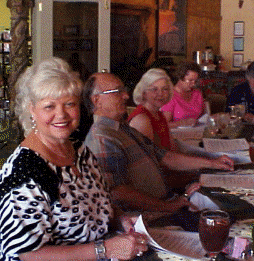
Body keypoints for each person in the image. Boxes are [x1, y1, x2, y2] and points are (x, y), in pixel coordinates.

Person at [0, 58, 148, 261]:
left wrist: (120, 219)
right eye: (49, 106)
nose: (61, 115)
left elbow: (96, 205)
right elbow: (32, 258)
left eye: (69, 104)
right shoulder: (24, 172)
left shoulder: (80, 151)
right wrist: (105, 249)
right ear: (31, 110)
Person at [83, 72, 234, 216]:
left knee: (230, 199)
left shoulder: (121, 128)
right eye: (117, 92)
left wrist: (213, 163)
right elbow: (118, 193)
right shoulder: (102, 137)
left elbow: (165, 156)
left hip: (168, 200)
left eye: (124, 90)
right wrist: (169, 207)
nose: (125, 96)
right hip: (151, 216)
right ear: (96, 100)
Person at [128, 68, 177, 151]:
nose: (160, 94)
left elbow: (172, 148)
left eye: (165, 89)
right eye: (154, 89)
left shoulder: (159, 115)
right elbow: (151, 158)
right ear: (143, 93)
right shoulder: (142, 119)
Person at [160, 61, 205, 128]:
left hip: (197, 132)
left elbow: (203, 116)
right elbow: (163, 124)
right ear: (180, 77)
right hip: (177, 135)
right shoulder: (170, 96)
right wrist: (181, 123)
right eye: (190, 80)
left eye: (195, 81)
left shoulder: (197, 93)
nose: (193, 84)